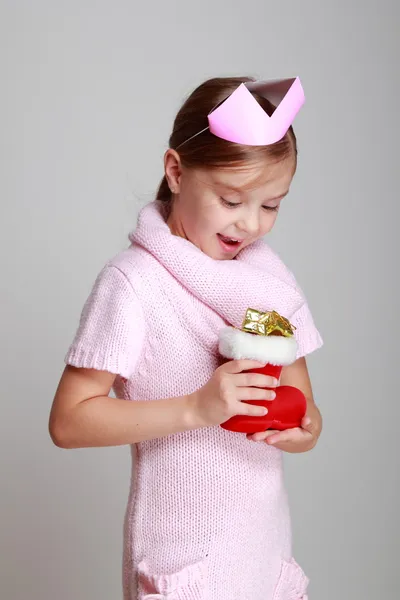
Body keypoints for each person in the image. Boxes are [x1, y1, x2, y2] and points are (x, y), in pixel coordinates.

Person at [49, 76, 323, 600]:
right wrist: (198, 408)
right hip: (183, 563)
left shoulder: (269, 287)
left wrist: (302, 428)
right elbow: (68, 420)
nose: (250, 225)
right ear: (176, 171)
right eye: (231, 199)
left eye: (271, 205)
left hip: (263, 556)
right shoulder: (135, 283)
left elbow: (307, 412)